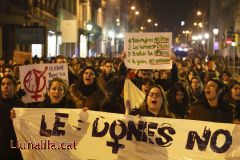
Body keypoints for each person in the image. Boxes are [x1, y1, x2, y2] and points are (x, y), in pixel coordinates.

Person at [0, 75, 26, 160]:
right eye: (3, 84)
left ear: (14, 86)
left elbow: (27, 128)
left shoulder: (21, 105)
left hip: (17, 149)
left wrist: (17, 120)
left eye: (9, 84)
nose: (5, 86)